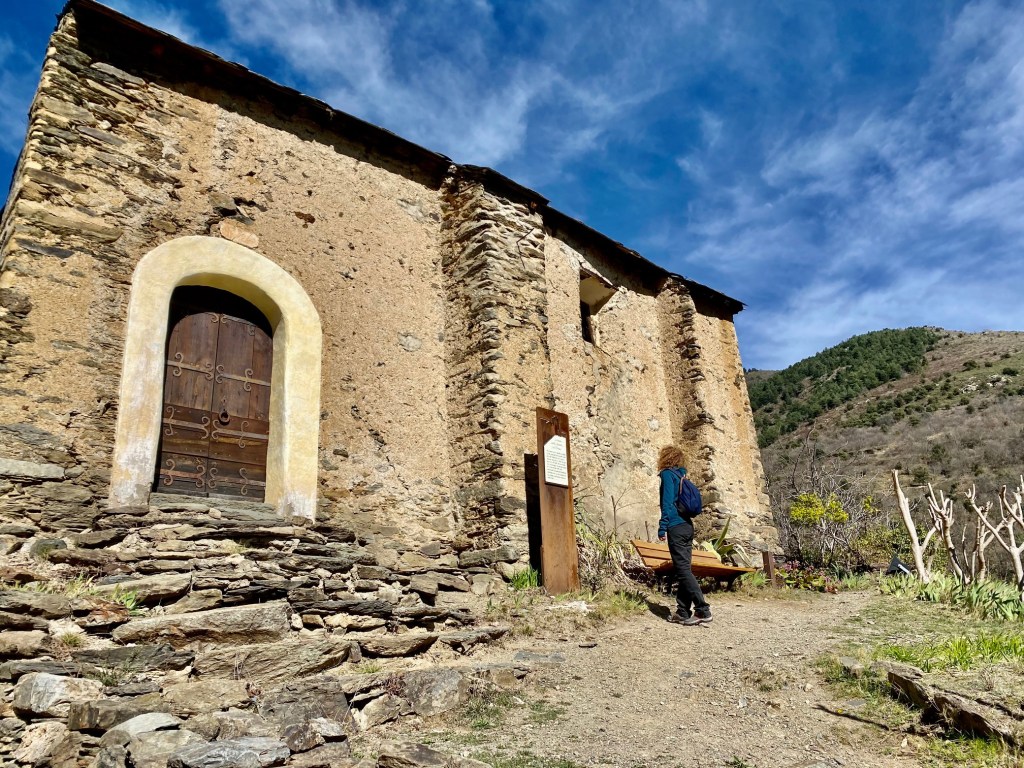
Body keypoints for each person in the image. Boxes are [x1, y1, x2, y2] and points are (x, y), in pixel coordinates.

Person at [657, 445, 712, 626]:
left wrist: (662, 527)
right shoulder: (681, 476)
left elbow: (667, 503)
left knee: (682, 570)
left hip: (675, 526)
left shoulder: (667, 475)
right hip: (687, 526)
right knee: (684, 569)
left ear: (665, 458)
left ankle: (703, 610)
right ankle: (682, 611)